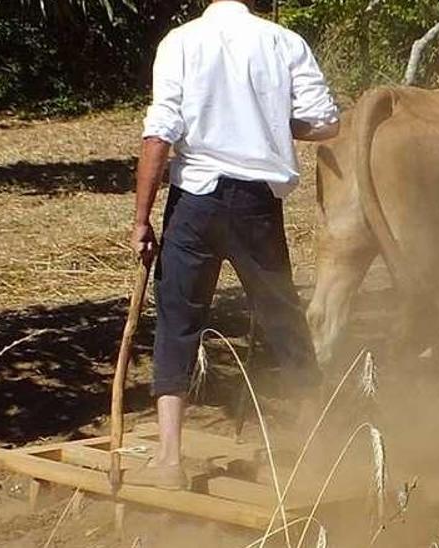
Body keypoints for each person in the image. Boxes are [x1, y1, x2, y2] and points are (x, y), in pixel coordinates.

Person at [126, 0, 340, 489]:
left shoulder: (180, 42)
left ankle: (169, 460)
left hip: (194, 204)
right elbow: (327, 123)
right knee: (284, 321)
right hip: (257, 206)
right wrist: (267, 122)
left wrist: (141, 220)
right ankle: (317, 447)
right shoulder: (283, 42)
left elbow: (159, 135)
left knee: (178, 321)